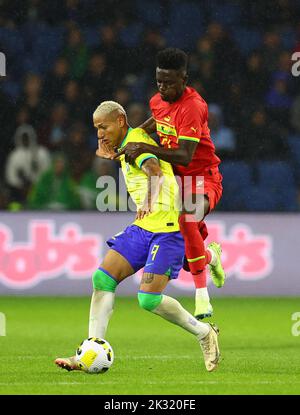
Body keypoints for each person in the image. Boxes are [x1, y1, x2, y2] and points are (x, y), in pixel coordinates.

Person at [55, 101, 220, 372]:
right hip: (143, 228)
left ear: (120, 121)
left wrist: (147, 199)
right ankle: (90, 350)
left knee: (148, 299)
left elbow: (154, 171)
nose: (99, 134)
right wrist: (115, 153)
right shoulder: (127, 146)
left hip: (168, 229)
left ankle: (204, 333)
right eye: (96, 129)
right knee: (102, 278)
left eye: (103, 126)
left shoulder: (137, 145)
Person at [116, 48, 225, 320]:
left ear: (184, 78)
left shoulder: (193, 107)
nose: (163, 88)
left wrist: (141, 146)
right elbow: (155, 123)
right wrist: (130, 139)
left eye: (170, 83)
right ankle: (211, 257)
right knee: (189, 257)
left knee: (187, 218)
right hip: (175, 185)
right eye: (159, 82)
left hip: (203, 178)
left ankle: (202, 297)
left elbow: (186, 157)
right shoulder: (158, 101)